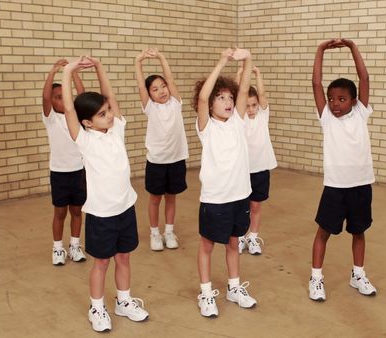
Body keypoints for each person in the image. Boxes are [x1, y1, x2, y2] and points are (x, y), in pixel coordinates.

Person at [61, 56, 149, 332]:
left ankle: (123, 301)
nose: (109, 115)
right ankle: (97, 307)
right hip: (101, 213)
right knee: (101, 263)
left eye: (108, 110)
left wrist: (99, 68)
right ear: (86, 122)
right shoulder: (85, 139)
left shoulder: (116, 130)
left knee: (124, 257)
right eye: (101, 114)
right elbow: (68, 109)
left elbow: (108, 95)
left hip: (125, 208)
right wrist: (67, 71)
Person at [309, 39, 377, 302]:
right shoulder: (326, 117)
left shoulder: (361, 112)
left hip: (360, 185)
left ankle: (357, 274)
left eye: (341, 99)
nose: (335, 103)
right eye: (331, 99)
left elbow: (364, 76)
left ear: (354, 99)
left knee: (358, 231)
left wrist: (352, 47)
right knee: (323, 232)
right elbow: (316, 83)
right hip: (335, 187)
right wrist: (320, 50)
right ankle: (316, 277)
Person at [192, 48, 257, 317]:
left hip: (239, 195)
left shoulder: (237, 122)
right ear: (209, 105)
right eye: (221, 98)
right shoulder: (206, 127)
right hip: (215, 198)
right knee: (207, 246)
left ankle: (233, 287)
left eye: (229, 97)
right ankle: (205, 293)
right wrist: (221, 62)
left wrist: (247, 58)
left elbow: (244, 91)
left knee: (234, 244)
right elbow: (204, 94)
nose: (228, 102)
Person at [134, 48, 189, 251]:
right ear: (149, 94)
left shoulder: (175, 102)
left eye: (163, 86)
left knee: (171, 197)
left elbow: (171, 79)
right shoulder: (150, 107)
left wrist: (161, 57)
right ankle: (155, 233)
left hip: (176, 160)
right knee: (155, 199)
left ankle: (169, 231)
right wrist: (138, 61)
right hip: (157, 161)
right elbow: (141, 83)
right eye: (155, 89)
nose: (162, 91)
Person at [41, 58, 87, 266]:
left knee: (77, 211)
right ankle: (58, 248)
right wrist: (53, 71)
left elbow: (83, 94)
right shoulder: (50, 118)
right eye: (56, 98)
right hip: (59, 173)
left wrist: (74, 72)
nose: (61, 100)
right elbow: (45, 96)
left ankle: (75, 246)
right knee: (59, 212)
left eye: (63, 97)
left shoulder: (75, 115)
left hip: (78, 171)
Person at [235, 65, 277, 255]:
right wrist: (239, 75)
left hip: (260, 169)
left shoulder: (263, 115)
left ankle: (253, 237)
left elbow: (262, 93)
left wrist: (258, 74)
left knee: (255, 205)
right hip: (243, 170)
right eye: (247, 105)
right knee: (242, 207)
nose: (251, 109)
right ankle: (241, 236)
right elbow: (238, 93)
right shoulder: (238, 118)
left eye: (254, 105)